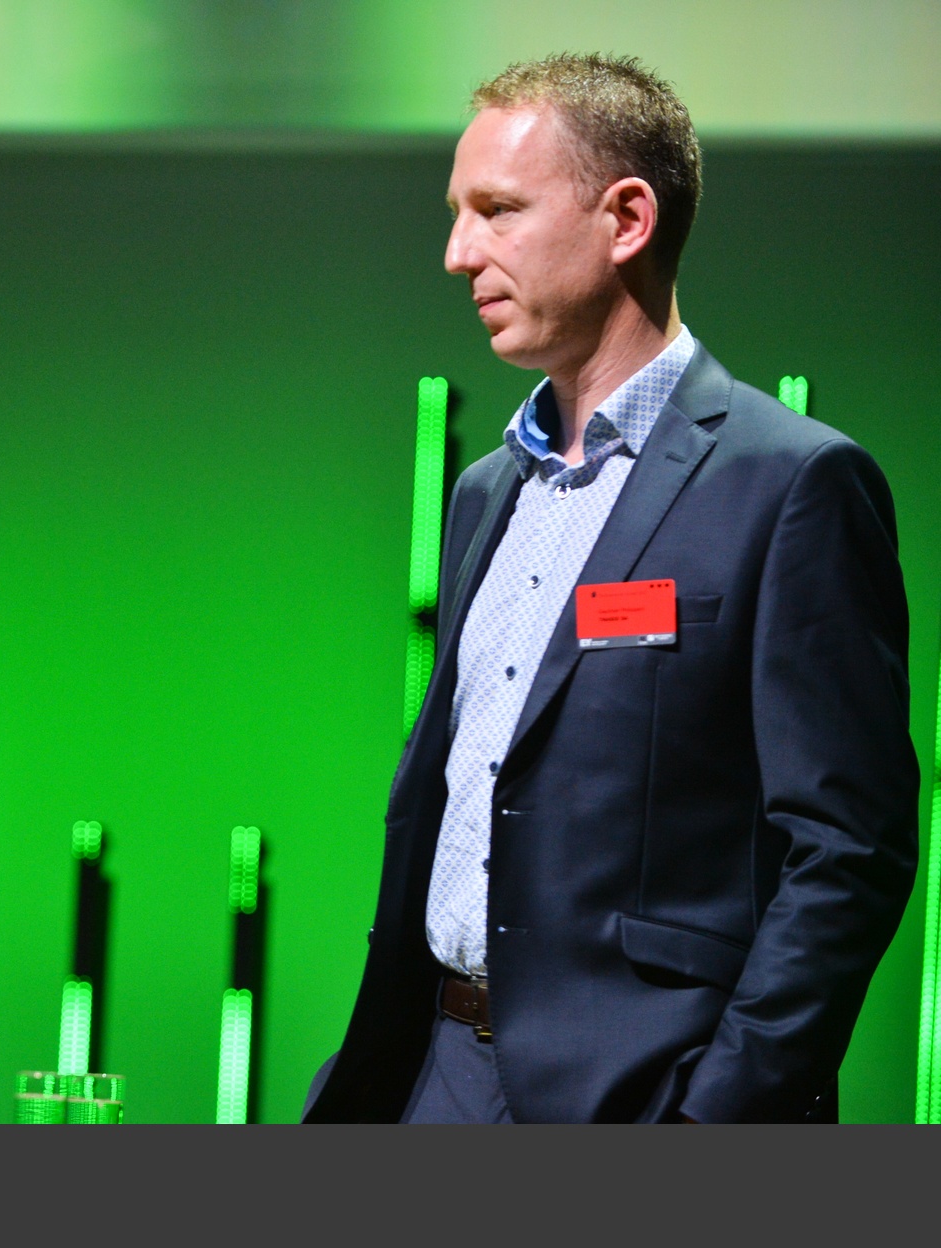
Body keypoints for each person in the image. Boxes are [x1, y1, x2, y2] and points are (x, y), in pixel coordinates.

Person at [305, 53, 917, 1123]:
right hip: (435, 1075)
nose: (458, 253)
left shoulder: (793, 484)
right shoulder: (485, 492)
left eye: (497, 211)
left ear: (627, 218)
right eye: (457, 216)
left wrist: (716, 1114)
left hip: (642, 1096)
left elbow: (848, 851)